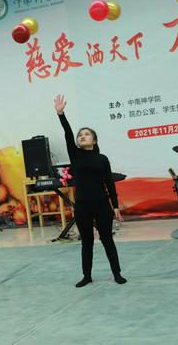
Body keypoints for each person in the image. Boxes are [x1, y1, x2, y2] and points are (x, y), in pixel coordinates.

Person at [54, 94, 127, 287]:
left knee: (107, 239)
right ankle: (87, 276)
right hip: (83, 206)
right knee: (87, 242)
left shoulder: (102, 159)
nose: (82, 136)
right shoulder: (75, 154)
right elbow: (68, 133)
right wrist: (61, 114)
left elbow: (109, 183)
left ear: (94, 140)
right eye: (80, 135)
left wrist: (116, 205)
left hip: (102, 204)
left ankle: (117, 273)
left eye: (86, 134)